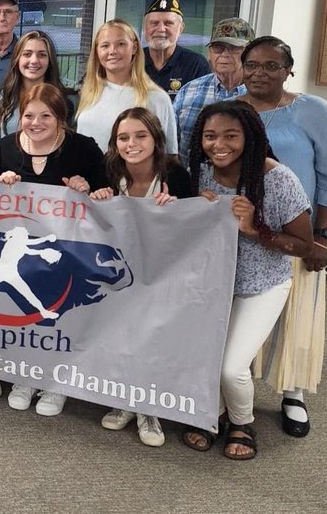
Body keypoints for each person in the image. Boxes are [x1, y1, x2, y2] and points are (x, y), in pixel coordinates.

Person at [236, 36, 327, 439]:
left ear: (289, 70)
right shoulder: (232, 110)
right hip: (242, 236)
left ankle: (293, 394)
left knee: (296, 316)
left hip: (296, 236)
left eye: (272, 66)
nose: (260, 73)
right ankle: (238, 388)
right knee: (242, 318)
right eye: (252, 64)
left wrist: (321, 239)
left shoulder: (313, 111)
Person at [181, 101, 312, 461]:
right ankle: (215, 414)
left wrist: (255, 230)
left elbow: (306, 246)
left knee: (231, 367)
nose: (218, 144)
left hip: (262, 285)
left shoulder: (278, 178)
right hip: (215, 283)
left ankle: (242, 422)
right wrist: (196, 208)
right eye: (210, 136)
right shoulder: (203, 172)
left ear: (250, 137)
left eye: (230, 136)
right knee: (205, 356)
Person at [0, 83, 108, 416]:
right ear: (18, 116)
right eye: (28, 115)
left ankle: (57, 382)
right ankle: (27, 374)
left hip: (68, 249)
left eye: (46, 116)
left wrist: (89, 189)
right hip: (21, 247)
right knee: (24, 312)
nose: (36, 122)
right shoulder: (5, 149)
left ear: (61, 118)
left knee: (61, 314)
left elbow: (110, 194)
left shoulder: (82, 149)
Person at [89, 107, 194, 447]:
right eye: (123, 137)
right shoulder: (108, 171)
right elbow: (91, 216)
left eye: (140, 136)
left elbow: (194, 226)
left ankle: (148, 407)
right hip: (119, 271)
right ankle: (124, 400)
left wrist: (175, 208)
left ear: (156, 139)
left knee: (151, 337)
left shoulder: (175, 173)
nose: (131, 144)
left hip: (162, 273)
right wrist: (99, 197)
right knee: (122, 337)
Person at [75, 19, 178, 155]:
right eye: (105, 46)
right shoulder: (89, 92)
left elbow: (169, 154)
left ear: (134, 47)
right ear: (97, 51)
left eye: (121, 44)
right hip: (88, 174)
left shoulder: (156, 98)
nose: (112, 51)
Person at [173, 18, 254, 164]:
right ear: (210, 52)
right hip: (189, 183)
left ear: (250, 53)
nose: (224, 54)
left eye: (234, 48)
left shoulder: (258, 95)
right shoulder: (188, 91)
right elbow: (172, 146)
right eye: (218, 47)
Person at [0, 31, 76, 138]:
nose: (34, 60)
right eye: (27, 54)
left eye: (41, 55)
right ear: (17, 59)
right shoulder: (7, 95)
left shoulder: (66, 100)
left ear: (50, 60)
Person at [141, 0, 211, 100]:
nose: (160, 29)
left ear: (181, 28)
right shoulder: (133, 60)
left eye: (168, 23)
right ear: (145, 27)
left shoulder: (196, 66)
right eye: (154, 23)